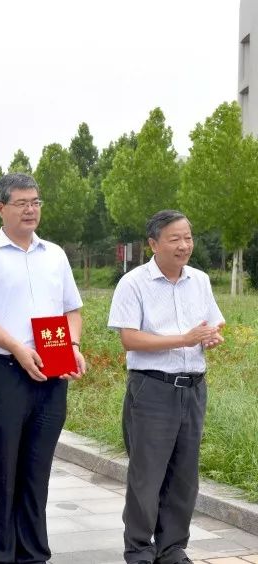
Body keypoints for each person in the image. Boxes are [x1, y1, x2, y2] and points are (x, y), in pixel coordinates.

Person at [0, 172, 86, 564]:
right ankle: (0, 554)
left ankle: (33, 554)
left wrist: (74, 345)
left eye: (36, 202)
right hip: (5, 373)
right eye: (22, 203)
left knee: (36, 468)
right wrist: (15, 345)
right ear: (2, 208)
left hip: (52, 373)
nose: (31, 210)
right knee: (2, 469)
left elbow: (72, 309)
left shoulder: (56, 254)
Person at [108, 210, 225, 564]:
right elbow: (129, 338)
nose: (184, 245)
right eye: (174, 239)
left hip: (193, 388)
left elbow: (213, 324)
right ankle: (140, 550)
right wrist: (184, 339)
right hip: (153, 389)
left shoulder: (200, 281)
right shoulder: (133, 283)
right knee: (147, 474)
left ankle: (173, 548)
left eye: (187, 237)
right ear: (153, 244)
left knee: (184, 473)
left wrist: (211, 337)